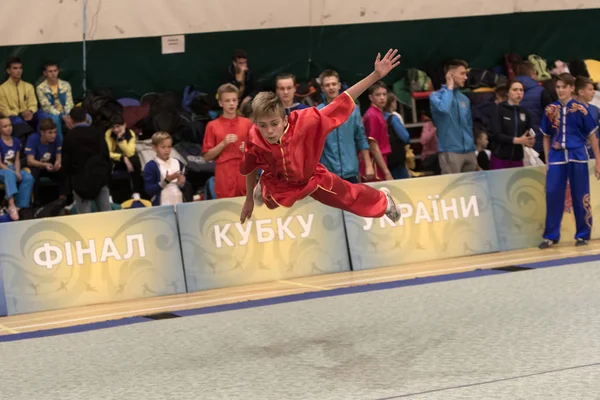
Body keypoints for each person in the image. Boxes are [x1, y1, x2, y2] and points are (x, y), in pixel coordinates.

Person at [239, 49, 402, 224]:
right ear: (256, 123)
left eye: (274, 124)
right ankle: (263, 185)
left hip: (312, 178)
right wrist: (248, 200)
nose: (269, 131)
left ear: (285, 119)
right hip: (280, 182)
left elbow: (343, 100)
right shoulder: (254, 137)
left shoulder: (306, 121)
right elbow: (250, 167)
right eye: (263, 125)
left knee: (349, 197)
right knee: (270, 197)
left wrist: (375, 76)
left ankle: (384, 201)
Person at [539, 73, 600, 249]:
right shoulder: (550, 109)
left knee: (581, 195)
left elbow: (592, 137)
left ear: (571, 88)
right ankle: (551, 235)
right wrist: (547, 159)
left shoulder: (581, 110)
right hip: (557, 157)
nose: (560, 90)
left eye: (563, 87)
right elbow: (545, 136)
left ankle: (583, 234)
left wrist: (598, 161)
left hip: (578, 155)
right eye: (557, 87)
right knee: (553, 194)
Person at [317, 69, 374, 183]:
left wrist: (368, 165)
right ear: (322, 88)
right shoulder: (318, 113)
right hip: (327, 173)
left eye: (334, 84)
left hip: (351, 171)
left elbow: (361, 138)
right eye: (327, 85)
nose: (331, 87)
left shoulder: (352, 110)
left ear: (339, 86)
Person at [203, 84, 253, 199]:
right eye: (227, 100)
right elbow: (206, 156)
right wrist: (223, 144)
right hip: (224, 174)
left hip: (244, 171)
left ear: (238, 101)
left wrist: (247, 149)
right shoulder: (212, 126)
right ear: (220, 103)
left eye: (234, 100)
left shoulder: (247, 123)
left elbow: (258, 150)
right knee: (227, 210)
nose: (231, 103)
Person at [430, 59, 477, 174]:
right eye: (462, 73)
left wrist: (473, 147)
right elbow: (444, 109)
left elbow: (469, 124)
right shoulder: (436, 96)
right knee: (454, 190)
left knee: (471, 189)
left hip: (469, 151)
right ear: (450, 75)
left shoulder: (464, 98)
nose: (465, 77)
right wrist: (449, 87)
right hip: (450, 151)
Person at [61, 107, 112, 214]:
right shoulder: (98, 133)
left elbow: (66, 163)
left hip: (80, 183)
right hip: (100, 179)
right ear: (86, 117)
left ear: (70, 119)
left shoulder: (69, 137)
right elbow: (106, 156)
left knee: (84, 221)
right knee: (107, 216)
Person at [489, 80, 535, 169]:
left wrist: (530, 140)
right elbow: (496, 134)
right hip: (500, 157)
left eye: (521, 90)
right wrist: (517, 140)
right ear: (508, 93)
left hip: (517, 158)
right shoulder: (499, 109)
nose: (519, 93)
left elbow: (529, 131)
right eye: (515, 90)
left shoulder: (525, 112)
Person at [25, 118, 68, 205]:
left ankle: (63, 200)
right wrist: (44, 165)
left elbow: (58, 154)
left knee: (64, 169)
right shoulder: (33, 139)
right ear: (42, 132)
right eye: (50, 133)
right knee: (33, 174)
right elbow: (30, 161)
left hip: (49, 164)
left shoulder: (57, 138)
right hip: (36, 165)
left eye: (55, 132)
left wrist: (58, 162)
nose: (53, 135)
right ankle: (35, 203)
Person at [0, 114, 34, 220]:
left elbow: (17, 160)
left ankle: (20, 206)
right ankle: (11, 204)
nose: (9, 128)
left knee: (28, 177)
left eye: (10, 125)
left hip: (13, 168)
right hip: (2, 170)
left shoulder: (16, 141)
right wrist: (13, 172)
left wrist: (18, 172)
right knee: (9, 174)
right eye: (5, 126)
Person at [361, 81, 394, 182]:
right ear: (371, 97)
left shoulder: (377, 113)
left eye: (384, 94)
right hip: (375, 163)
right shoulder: (373, 116)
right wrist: (386, 172)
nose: (382, 97)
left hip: (378, 160)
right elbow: (374, 146)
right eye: (378, 95)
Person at [143, 132, 186, 206]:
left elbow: (181, 187)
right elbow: (149, 190)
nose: (167, 150)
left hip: (179, 202)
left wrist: (181, 182)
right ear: (154, 148)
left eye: (169, 147)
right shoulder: (151, 166)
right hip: (162, 205)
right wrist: (166, 181)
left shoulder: (178, 163)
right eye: (163, 147)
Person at [105, 114, 142, 200]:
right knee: (106, 162)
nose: (116, 130)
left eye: (118, 127)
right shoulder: (109, 133)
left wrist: (121, 140)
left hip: (127, 157)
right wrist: (122, 157)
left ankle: (136, 192)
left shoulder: (131, 134)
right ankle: (108, 194)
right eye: (113, 127)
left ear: (124, 125)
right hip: (115, 157)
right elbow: (107, 152)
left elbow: (130, 153)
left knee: (135, 161)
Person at [36, 61, 74, 141]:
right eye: (50, 71)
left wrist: (67, 115)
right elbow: (46, 107)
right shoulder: (40, 88)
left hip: (66, 112)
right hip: (53, 113)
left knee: (87, 117)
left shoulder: (66, 84)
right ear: (45, 73)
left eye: (55, 70)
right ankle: (60, 146)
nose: (53, 73)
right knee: (55, 120)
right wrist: (62, 116)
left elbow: (69, 102)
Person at [383, 92, 411, 179]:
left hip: (383, 160)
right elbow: (405, 137)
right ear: (391, 103)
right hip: (396, 159)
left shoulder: (377, 117)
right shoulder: (393, 118)